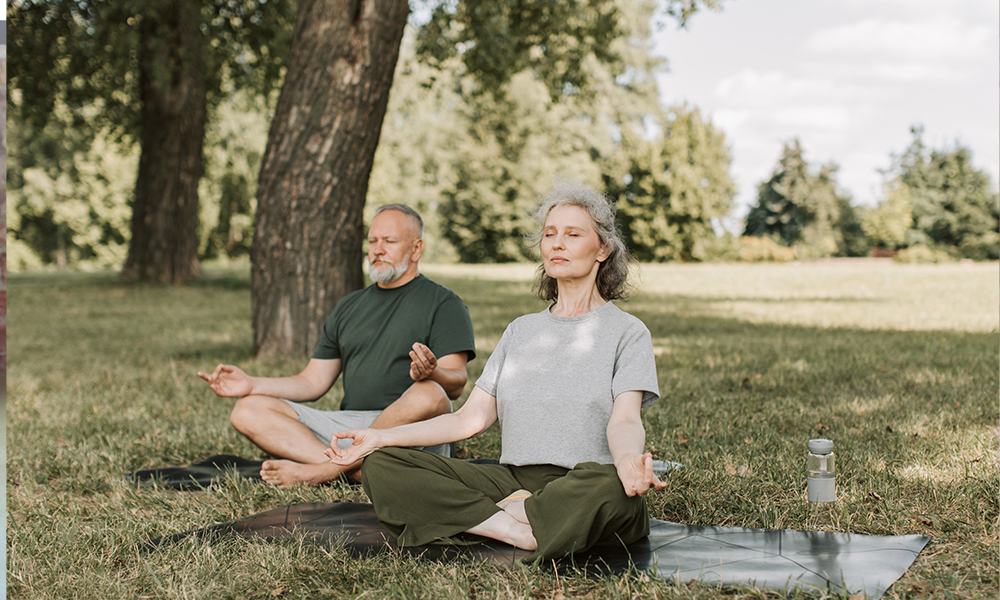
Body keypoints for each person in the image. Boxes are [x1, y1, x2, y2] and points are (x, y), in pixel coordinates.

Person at [326, 183, 666, 562]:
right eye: (549, 234)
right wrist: (379, 437)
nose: (557, 244)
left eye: (573, 234)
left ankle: (490, 516)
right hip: (514, 482)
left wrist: (627, 462)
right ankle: (513, 528)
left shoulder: (627, 332)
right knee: (384, 463)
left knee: (614, 491)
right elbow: (468, 420)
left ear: (603, 248)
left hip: (583, 482)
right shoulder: (521, 330)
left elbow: (625, 421)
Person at [198, 204, 476, 488]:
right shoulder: (350, 306)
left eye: (389, 241)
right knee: (248, 410)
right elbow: (312, 382)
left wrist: (433, 373)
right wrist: (251, 385)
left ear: (416, 249)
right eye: (372, 241)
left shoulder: (444, 303)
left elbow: (454, 385)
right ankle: (353, 471)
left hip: (410, 431)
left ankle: (322, 473)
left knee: (430, 393)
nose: (377, 250)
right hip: (351, 429)